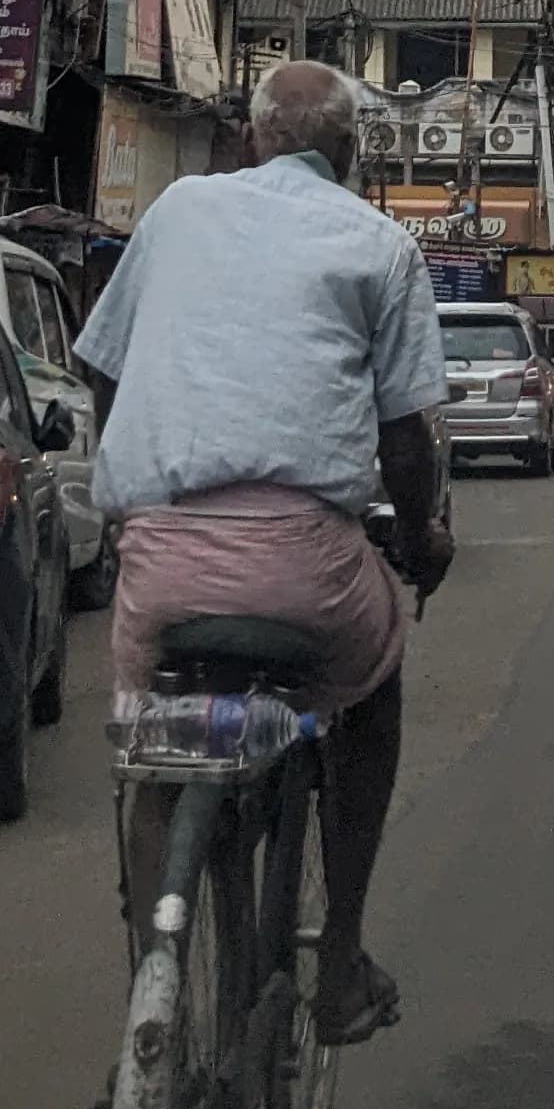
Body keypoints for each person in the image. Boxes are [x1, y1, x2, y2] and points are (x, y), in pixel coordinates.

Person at [77, 60, 453, 1045]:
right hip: (306, 568)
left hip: (159, 559)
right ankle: (339, 961)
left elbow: (104, 370)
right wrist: (422, 540)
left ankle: (158, 946)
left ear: (251, 142)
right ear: (350, 156)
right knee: (373, 687)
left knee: (157, 757)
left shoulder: (176, 211)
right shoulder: (379, 243)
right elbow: (408, 439)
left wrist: (138, 500)